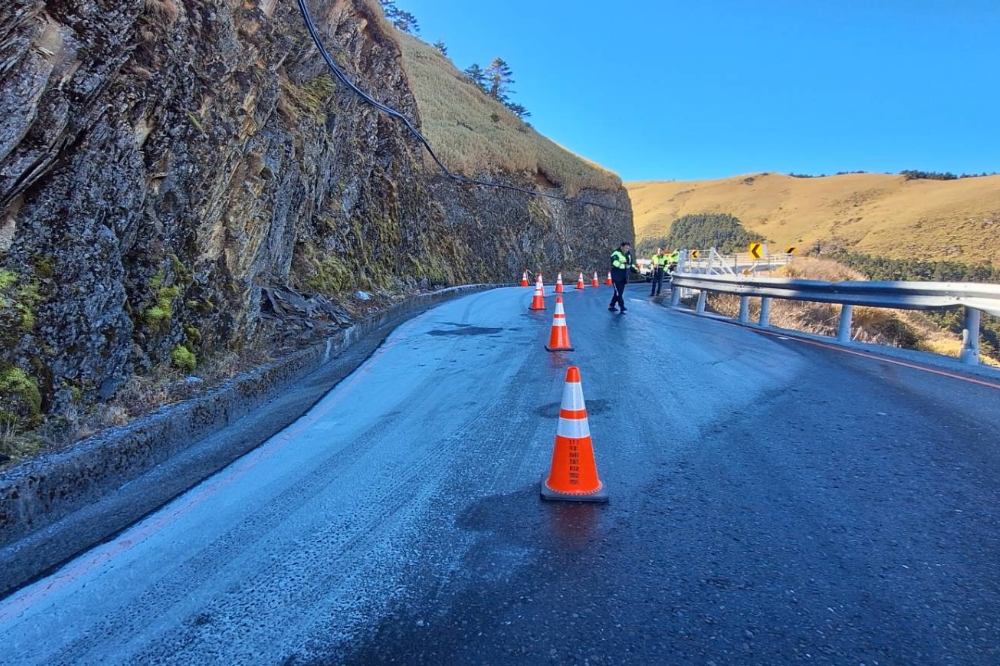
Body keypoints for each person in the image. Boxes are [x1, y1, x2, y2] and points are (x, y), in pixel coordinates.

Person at [608, 241, 637, 313]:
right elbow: (614, 262)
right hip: (616, 274)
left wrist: (635, 269)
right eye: (625, 248)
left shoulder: (629, 254)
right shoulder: (615, 253)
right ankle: (622, 306)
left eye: (628, 248)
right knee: (618, 292)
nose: (626, 249)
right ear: (621, 247)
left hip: (624, 275)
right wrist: (624, 264)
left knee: (619, 293)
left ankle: (611, 305)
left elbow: (631, 263)